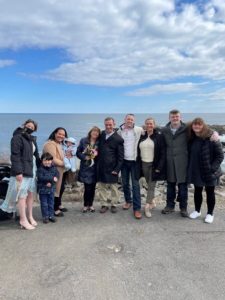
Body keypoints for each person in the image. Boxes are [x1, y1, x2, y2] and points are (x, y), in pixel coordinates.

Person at [0, 119, 40, 230]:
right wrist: (18, 172)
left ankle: (30, 216)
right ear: (23, 125)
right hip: (22, 170)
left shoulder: (31, 139)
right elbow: (15, 156)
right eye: (28, 126)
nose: (30, 128)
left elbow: (36, 156)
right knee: (22, 196)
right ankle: (23, 220)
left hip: (32, 169)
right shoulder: (17, 137)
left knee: (30, 194)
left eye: (33, 128)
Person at [187, 118, 224, 223]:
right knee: (197, 191)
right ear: (192, 126)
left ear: (203, 126)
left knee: (210, 192)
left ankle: (210, 213)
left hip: (210, 171)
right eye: (195, 125)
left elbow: (220, 156)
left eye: (199, 125)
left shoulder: (212, 138)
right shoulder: (192, 137)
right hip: (197, 170)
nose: (197, 127)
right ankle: (197, 211)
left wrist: (212, 168)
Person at [161, 110, 189, 217]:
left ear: (180, 117)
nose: (175, 118)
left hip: (183, 162)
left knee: (183, 187)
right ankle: (170, 206)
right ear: (169, 118)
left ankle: (183, 208)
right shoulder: (165, 130)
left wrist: (213, 134)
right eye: (173, 117)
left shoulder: (187, 129)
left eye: (177, 116)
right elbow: (153, 131)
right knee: (170, 186)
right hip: (170, 162)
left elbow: (201, 130)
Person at [137, 118, 166, 218]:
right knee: (148, 184)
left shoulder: (159, 136)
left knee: (151, 186)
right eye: (147, 124)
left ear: (154, 125)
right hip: (143, 164)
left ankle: (147, 207)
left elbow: (163, 153)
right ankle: (152, 202)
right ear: (145, 125)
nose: (149, 125)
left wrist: (159, 167)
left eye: (151, 124)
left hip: (154, 165)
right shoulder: (142, 135)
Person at [118, 114, 143, 219]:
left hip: (134, 161)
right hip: (123, 161)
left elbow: (150, 132)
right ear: (125, 120)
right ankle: (128, 201)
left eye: (132, 119)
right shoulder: (120, 131)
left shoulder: (139, 130)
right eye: (128, 119)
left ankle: (137, 209)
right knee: (125, 183)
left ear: (134, 121)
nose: (130, 121)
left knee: (135, 185)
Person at [98, 117, 124, 213]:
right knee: (102, 187)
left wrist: (117, 169)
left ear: (114, 124)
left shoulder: (119, 139)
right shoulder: (102, 134)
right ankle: (104, 204)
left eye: (110, 124)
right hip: (101, 166)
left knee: (114, 188)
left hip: (112, 167)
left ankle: (114, 204)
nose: (108, 126)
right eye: (106, 125)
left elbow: (121, 157)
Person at [43, 127, 68, 217]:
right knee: (55, 189)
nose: (61, 136)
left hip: (61, 170)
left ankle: (59, 204)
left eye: (63, 135)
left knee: (61, 188)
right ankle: (55, 209)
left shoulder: (59, 144)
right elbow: (52, 158)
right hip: (54, 171)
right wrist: (65, 164)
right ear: (55, 133)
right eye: (59, 134)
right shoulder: (50, 144)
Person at [76, 126, 101, 212]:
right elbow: (78, 152)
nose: (95, 133)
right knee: (87, 188)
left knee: (93, 188)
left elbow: (102, 154)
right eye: (94, 131)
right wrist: (84, 157)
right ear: (90, 132)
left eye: (97, 132)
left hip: (95, 168)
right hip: (86, 167)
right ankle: (85, 205)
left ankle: (91, 205)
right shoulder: (84, 140)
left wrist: (97, 155)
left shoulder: (99, 142)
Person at [37, 152, 59, 224]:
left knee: (51, 203)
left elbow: (57, 175)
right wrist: (51, 179)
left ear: (51, 160)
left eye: (49, 160)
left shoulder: (54, 168)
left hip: (51, 189)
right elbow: (41, 178)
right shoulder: (40, 169)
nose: (47, 162)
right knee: (44, 204)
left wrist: (54, 179)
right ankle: (45, 217)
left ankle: (51, 216)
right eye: (45, 160)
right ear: (42, 161)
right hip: (43, 190)